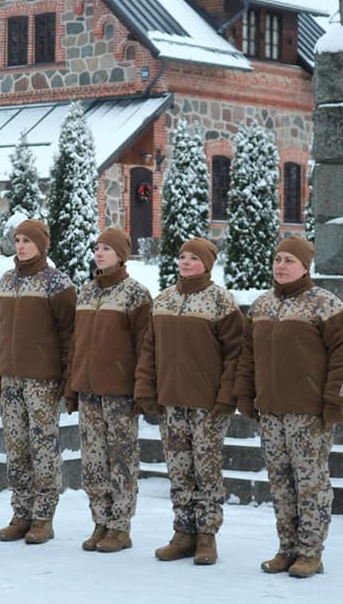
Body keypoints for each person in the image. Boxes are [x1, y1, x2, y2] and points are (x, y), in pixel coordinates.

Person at [235, 236, 343, 578]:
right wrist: (246, 396)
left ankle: (310, 552)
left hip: (309, 412)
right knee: (280, 482)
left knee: (310, 483)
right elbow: (247, 358)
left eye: (289, 260)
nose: (281, 265)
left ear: (306, 266)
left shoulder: (325, 305)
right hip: (271, 411)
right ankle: (286, 548)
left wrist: (335, 399)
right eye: (277, 259)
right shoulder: (260, 307)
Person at [134, 238, 243, 565]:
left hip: (207, 405)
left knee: (206, 470)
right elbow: (149, 350)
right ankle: (183, 532)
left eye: (193, 258)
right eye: (182, 256)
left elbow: (236, 355)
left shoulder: (221, 302)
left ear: (207, 264)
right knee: (179, 470)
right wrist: (146, 388)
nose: (185, 262)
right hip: (171, 402)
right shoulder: (163, 300)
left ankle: (207, 536)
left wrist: (227, 397)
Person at [0, 219, 75, 544]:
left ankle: (43, 517)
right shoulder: (7, 281)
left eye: (27, 240)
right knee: (17, 448)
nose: (21, 245)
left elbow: (69, 335)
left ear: (41, 245)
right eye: (18, 239)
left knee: (42, 449)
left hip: (42, 380)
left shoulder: (57, 284)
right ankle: (21, 512)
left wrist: (66, 378)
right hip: (10, 379)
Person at [64, 226, 151, 553]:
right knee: (94, 461)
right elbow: (76, 344)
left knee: (121, 460)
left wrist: (141, 390)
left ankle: (120, 526)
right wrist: (72, 387)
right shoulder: (85, 292)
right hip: (88, 390)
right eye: (97, 248)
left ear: (121, 256)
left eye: (107, 249)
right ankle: (100, 521)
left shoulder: (135, 294)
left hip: (120, 394)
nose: (99, 253)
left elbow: (145, 347)